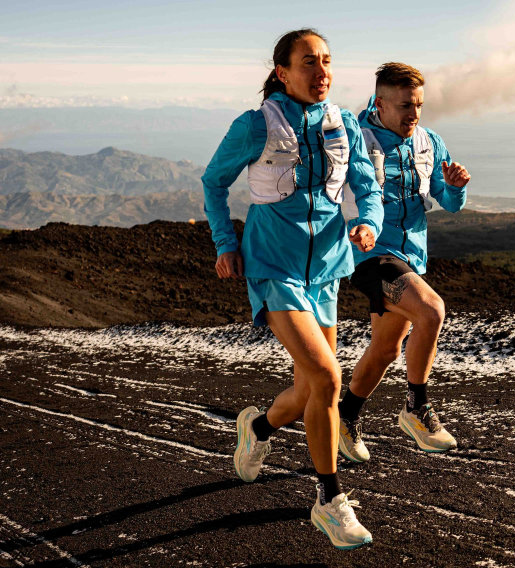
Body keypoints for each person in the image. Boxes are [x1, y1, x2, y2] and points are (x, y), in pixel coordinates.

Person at [201, 29, 383, 550]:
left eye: (327, 61)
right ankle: (329, 500)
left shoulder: (343, 122)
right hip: (273, 266)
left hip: (326, 268)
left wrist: (367, 220)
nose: (321, 71)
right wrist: (224, 241)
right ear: (282, 71)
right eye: (308, 62)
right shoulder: (255, 125)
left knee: (309, 389)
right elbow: (214, 181)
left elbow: (365, 185)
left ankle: (258, 429)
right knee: (328, 375)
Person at [337, 62, 471, 463]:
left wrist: (456, 187)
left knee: (386, 349)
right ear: (379, 103)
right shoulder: (355, 141)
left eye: (418, 106)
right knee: (432, 310)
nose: (413, 115)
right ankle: (416, 408)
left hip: (411, 257)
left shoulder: (430, 142)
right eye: (405, 107)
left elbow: (446, 202)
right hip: (370, 254)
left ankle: (344, 417)